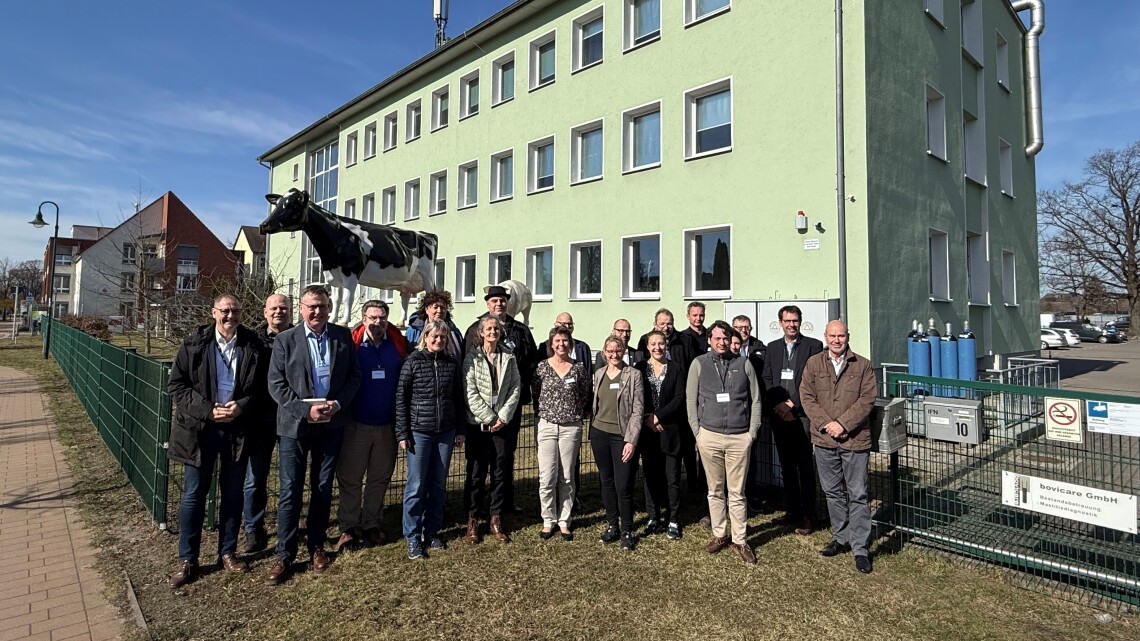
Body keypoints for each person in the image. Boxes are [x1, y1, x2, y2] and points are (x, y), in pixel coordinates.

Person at [167, 294, 265, 587]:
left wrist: (242, 406)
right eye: (225, 311)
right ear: (213, 313)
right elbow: (177, 386)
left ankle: (227, 553)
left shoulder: (254, 345)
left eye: (235, 311)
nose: (230, 316)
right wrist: (208, 410)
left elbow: (264, 389)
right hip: (200, 430)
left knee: (233, 494)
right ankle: (188, 559)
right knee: (193, 495)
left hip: (237, 429)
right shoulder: (193, 344)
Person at [266, 285, 361, 585]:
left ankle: (316, 546)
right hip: (295, 426)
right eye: (311, 306)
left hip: (331, 424)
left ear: (329, 308)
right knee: (290, 490)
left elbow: (354, 376)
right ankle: (285, 553)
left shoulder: (342, 337)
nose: (317, 311)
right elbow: (276, 384)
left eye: (322, 306)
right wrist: (305, 411)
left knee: (322, 487)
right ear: (301, 309)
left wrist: (338, 404)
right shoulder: (285, 340)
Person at [800, 320, 878, 574]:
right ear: (825, 336)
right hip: (824, 440)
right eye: (832, 336)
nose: (836, 340)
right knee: (832, 492)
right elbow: (807, 397)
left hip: (854, 440)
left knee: (858, 494)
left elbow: (867, 399)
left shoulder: (863, 365)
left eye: (841, 336)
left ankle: (860, 548)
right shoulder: (814, 364)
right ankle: (840, 536)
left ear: (848, 337)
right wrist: (826, 424)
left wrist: (843, 424)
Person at [686, 321, 763, 565]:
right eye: (717, 338)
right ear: (709, 340)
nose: (721, 342)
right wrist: (698, 432)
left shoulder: (744, 364)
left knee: (737, 492)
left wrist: (751, 433)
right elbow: (690, 400)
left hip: (739, 437)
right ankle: (719, 534)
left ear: (731, 340)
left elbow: (756, 400)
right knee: (715, 489)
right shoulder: (699, 364)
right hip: (709, 436)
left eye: (725, 338)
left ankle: (740, 539)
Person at [336, 300, 408, 551]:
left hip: (387, 424)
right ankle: (348, 526)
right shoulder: (352, 344)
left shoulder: (398, 344)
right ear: (364, 318)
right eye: (373, 317)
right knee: (350, 478)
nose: (378, 322)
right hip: (356, 424)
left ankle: (371, 523)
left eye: (382, 317)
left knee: (379, 477)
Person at [396, 319, 466, 560]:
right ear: (425, 337)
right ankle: (413, 535)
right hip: (419, 432)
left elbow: (458, 398)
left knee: (438, 484)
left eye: (442, 337)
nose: (438, 340)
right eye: (434, 336)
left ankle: (432, 530)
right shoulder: (412, 362)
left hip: (446, 431)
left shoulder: (451, 364)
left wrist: (460, 430)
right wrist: (402, 433)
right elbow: (401, 399)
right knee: (416, 485)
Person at [464, 285, 537, 514]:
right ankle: (474, 506)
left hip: (510, 405)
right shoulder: (474, 329)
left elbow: (531, 361)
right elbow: (468, 367)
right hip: (481, 409)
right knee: (477, 460)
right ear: (487, 304)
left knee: (505, 456)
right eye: (494, 300)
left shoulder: (521, 330)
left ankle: (504, 502)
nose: (499, 304)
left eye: (503, 300)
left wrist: (519, 390)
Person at [761, 305, 824, 536]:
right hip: (779, 415)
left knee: (805, 465)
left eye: (795, 320)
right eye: (787, 321)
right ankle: (792, 510)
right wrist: (779, 406)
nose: (791, 325)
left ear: (800, 321)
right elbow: (767, 378)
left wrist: (791, 404)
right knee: (786, 465)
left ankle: (808, 514)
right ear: (781, 323)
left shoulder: (813, 346)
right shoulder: (772, 347)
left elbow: (812, 381)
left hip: (802, 415)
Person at [462, 316, 521, 544]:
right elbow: (470, 393)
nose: (493, 331)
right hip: (478, 425)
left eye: (496, 328)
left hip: (502, 425)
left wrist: (502, 417)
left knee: (499, 471)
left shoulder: (509, 357)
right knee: (476, 473)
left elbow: (515, 388)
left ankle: (495, 517)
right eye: (489, 328)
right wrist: (490, 418)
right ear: (481, 332)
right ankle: (473, 518)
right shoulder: (472, 357)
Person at [532, 326, 592, 540]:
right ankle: (548, 520)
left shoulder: (578, 368)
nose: (561, 344)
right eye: (557, 340)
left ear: (570, 343)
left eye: (565, 340)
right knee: (547, 477)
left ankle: (564, 520)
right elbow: (536, 393)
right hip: (547, 426)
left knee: (567, 476)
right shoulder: (541, 367)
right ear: (551, 344)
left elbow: (585, 394)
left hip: (571, 427)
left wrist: (575, 413)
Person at [242, 293, 291, 554]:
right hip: (259, 420)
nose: (278, 312)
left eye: (283, 308)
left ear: (291, 311)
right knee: (254, 479)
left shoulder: (299, 338)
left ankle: (287, 527)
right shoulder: (253, 341)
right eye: (274, 308)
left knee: (290, 479)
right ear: (265, 312)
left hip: (290, 418)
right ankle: (253, 528)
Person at [590, 336, 645, 550]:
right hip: (599, 434)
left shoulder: (633, 375)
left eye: (618, 350)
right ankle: (613, 525)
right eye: (610, 351)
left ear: (624, 351)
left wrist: (631, 440)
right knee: (606, 481)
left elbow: (638, 410)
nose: (614, 354)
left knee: (623, 485)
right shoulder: (598, 374)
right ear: (604, 352)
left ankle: (627, 530)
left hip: (621, 437)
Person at [634, 331, 688, 540]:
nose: (657, 347)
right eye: (653, 344)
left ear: (666, 345)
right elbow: (636, 396)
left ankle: (673, 518)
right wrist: (648, 417)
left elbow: (679, 397)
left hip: (670, 430)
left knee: (672, 477)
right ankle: (653, 516)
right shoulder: (639, 368)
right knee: (650, 476)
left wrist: (658, 416)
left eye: (661, 343)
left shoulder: (676, 369)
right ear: (647, 346)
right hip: (648, 431)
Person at [405, 290, 466, 360]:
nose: (439, 311)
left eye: (442, 307)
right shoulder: (414, 331)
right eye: (435, 307)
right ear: (426, 309)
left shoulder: (454, 332)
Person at [678, 301, 709, 365]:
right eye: (695, 315)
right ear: (688, 316)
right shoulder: (681, 337)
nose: (698, 318)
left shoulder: (710, 335)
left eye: (701, 315)